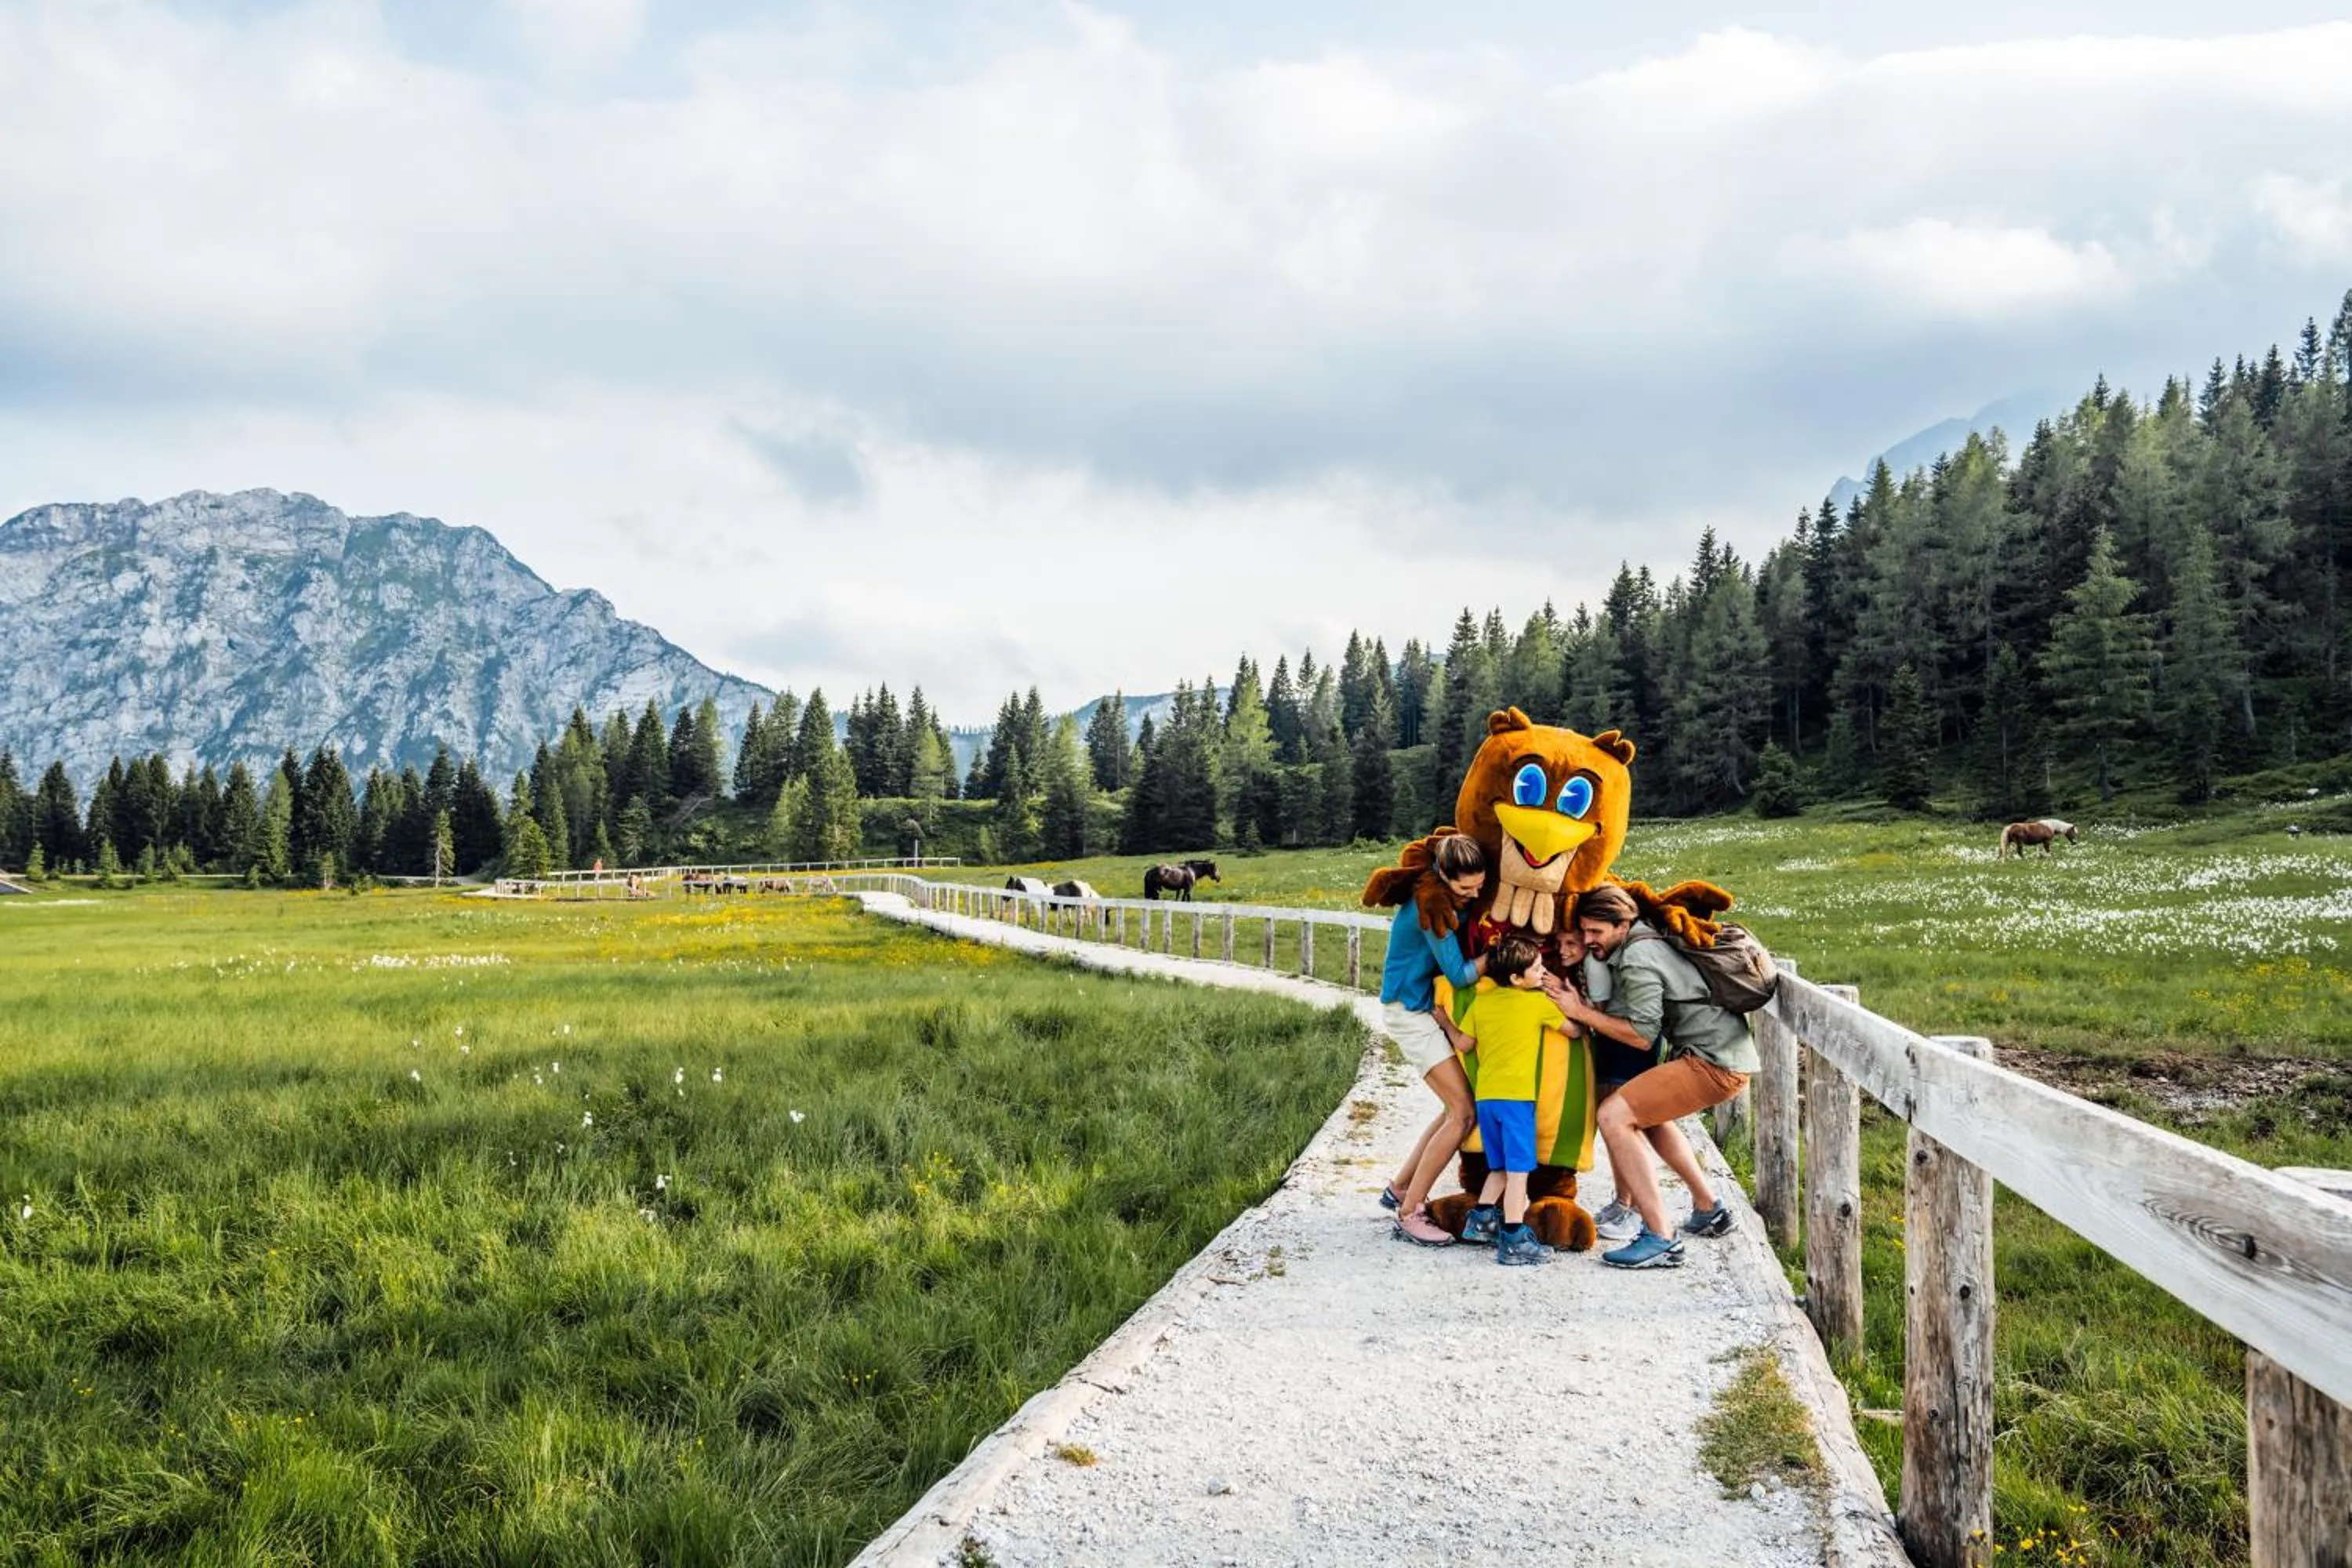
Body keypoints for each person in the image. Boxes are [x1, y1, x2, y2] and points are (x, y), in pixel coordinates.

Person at [1549, 884, 1757, 1269]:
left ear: (1623, 924)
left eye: (1596, 932)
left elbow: (1643, 1037)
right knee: (1650, 1121)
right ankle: (1709, 1208)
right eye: (1585, 931)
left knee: (1613, 1115)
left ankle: (1661, 1236)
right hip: (1721, 1055)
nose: (1588, 939)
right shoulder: (1643, 940)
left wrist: (1579, 1011)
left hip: (1713, 1063)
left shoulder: (1638, 957)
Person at [1364, 832, 1489, 1247]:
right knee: (1463, 1113)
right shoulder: (1430, 906)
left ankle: (1401, 1187)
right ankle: (1410, 1212)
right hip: (1409, 1013)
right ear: (1444, 876)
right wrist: (1499, 956)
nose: (1473, 895)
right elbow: (1459, 973)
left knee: (1455, 1105)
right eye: (1465, 888)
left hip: (1418, 1009)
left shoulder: (1442, 893)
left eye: (1479, 886)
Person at [1454, 934, 1564, 1265]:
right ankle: (1514, 1240)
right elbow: (1572, 1030)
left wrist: (1444, 1021)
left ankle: (1482, 1220)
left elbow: (1464, 1044)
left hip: (1486, 1098)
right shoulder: (1536, 1003)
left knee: (1499, 1167)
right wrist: (1567, 1002)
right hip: (1517, 1100)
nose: (1542, 972)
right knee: (1519, 1173)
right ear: (1517, 979)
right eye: (1536, 969)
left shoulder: (1482, 1002)